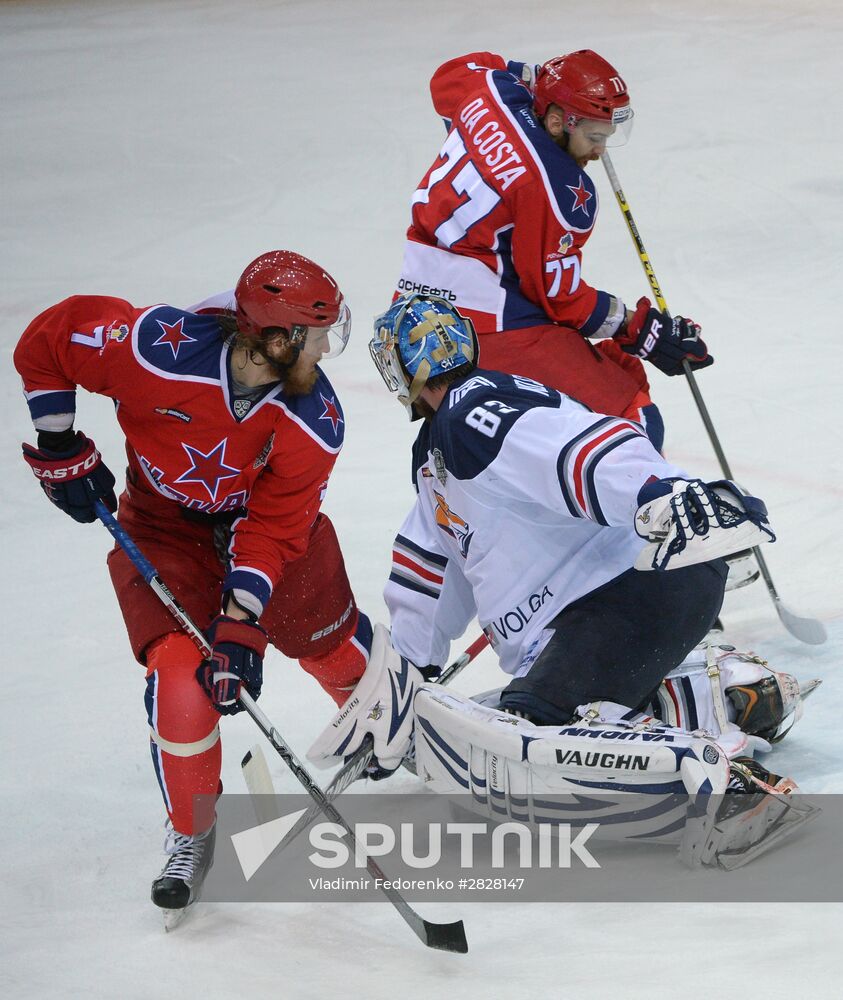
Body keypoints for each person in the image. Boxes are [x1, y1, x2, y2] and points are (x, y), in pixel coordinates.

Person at [14, 250, 379, 917]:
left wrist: (240, 623)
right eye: (318, 332)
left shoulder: (312, 419)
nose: (328, 349)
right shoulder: (156, 351)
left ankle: (386, 720)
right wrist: (58, 444)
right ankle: (191, 830)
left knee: (325, 644)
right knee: (183, 682)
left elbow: (274, 528)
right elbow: (51, 339)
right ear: (275, 339)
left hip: (269, 538)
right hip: (164, 532)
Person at [365, 295, 813, 816]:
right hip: (626, 608)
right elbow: (431, 569)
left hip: (627, 596)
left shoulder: (472, 412)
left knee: (530, 740)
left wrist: (659, 491)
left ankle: (724, 779)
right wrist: (407, 679)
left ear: (401, 370)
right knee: (523, 714)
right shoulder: (437, 451)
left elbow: (571, 448)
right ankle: (720, 690)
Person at [394, 50, 713, 451]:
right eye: (594, 138)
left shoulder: (491, 90)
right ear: (559, 120)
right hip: (480, 327)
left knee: (620, 367)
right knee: (629, 418)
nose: (600, 152)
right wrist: (640, 329)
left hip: (412, 312)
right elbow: (558, 297)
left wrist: (536, 77)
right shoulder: (557, 188)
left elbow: (449, 73)